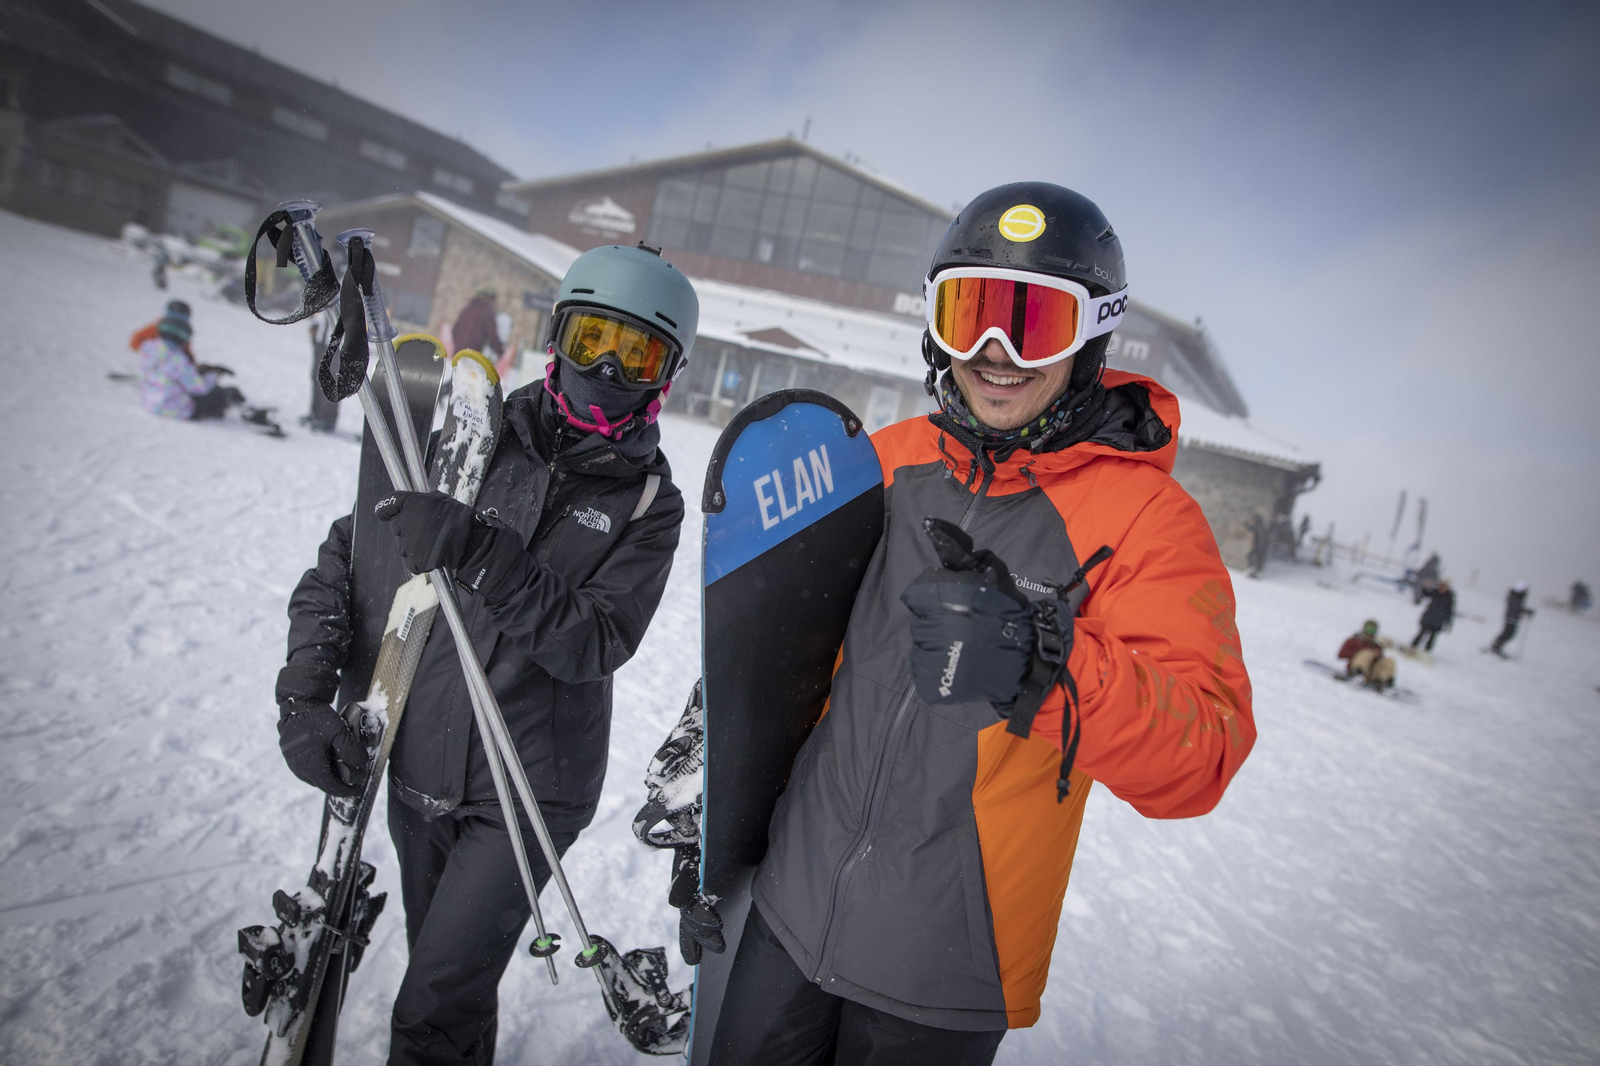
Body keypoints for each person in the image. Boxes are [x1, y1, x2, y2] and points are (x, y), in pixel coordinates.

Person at [706, 182, 1256, 1065]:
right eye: (971, 315)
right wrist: (716, 781)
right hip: (790, 907)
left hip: (947, 961)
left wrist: (1042, 659)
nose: (996, 352)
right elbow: (793, 652)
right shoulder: (886, 461)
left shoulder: (1149, 520)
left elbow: (1205, 753)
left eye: (1033, 324)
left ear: (1092, 335)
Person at [275, 242, 697, 1064]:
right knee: (452, 987)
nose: (607, 368)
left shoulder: (649, 502)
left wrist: (483, 553)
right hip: (416, 761)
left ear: (664, 373)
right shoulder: (470, 432)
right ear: (557, 337)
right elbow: (347, 561)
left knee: (430, 1006)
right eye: (591, 340)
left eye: (636, 351)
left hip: (530, 791)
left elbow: (595, 641)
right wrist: (303, 699)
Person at [134, 304, 247, 421]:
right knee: (215, 396)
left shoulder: (148, 347)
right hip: (173, 409)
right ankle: (230, 406)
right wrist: (213, 375)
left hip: (148, 403)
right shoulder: (178, 359)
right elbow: (198, 387)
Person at [1339, 619, 1396, 689]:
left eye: (1373, 631)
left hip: (1371, 674)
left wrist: (1377, 656)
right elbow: (1341, 654)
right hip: (1354, 668)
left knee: (1389, 661)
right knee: (1366, 653)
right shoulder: (1354, 641)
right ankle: (1358, 675)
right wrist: (1359, 653)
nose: (1370, 634)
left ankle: (1386, 682)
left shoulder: (1376, 646)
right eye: (1369, 630)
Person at [450, 287, 503, 360]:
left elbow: (454, 331)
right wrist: (500, 351)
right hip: (472, 355)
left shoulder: (466, 309)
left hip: (457, 353)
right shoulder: (487, 312)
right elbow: (492, 335)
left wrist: (459, 344)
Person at [1489, 581, 1535, 657]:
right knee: (1508, 633)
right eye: (1525, 589)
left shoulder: (1518, 596)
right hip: (1510, 617)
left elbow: (1518, 607)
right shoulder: (1514, 596)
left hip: (1514, 618)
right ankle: (1496, 646)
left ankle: (1496, 646)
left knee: (1509, 634)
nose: (1526, 591)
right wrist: (1526, 611)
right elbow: (1516, 607)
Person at [1411, 578, 1454, 651]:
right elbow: (1425, 594)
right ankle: (1412, 647)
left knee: (1432, 638)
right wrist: (1425, 587)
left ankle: (1426, 651)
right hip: (1428, 618)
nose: (1441, 588)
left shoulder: (1449, 597)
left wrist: (1448, 621)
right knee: (1421, 634)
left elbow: (1449, 610)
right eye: (1440, 586)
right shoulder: (1435, 592)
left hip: (1438, 621)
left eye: (1443, 586)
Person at [1247, 512, 1269, 578]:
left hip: (1259, 546)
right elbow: (1253, 528)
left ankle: (1257, 571)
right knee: (1253, 556)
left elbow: (1261, 536)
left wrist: (1260, 546)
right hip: (1258, 546)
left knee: (1257, 558)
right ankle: (1254, 570)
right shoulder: (1259, 525)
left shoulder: (1260, 526)